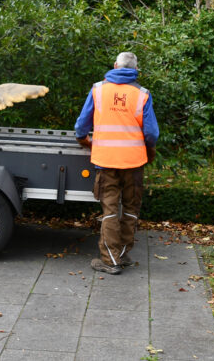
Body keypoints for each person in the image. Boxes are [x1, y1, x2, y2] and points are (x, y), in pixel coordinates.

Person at [75, 51, 159, 275]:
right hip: (134, 162)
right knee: (131, 209)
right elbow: (151, 133)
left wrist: (84, 140)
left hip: (107, 162)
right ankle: (122, 253)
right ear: (136, 70)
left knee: (110, 210)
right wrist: (148, 150)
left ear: (115, 65)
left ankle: (110, 260)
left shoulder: (98, 90)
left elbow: (81, 126)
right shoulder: (142, 94)